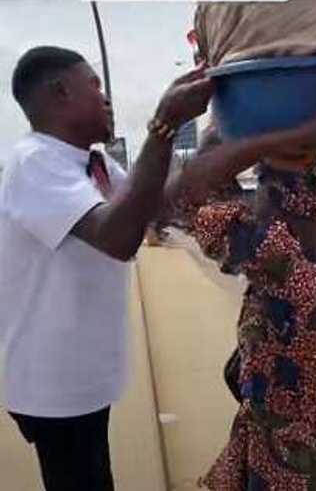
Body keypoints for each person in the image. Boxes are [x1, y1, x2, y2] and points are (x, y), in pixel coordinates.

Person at [0, 46, 213, 490]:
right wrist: (163, 125)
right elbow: (117, 238)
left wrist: (218, 143)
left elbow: (153, 205)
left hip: (80, 374)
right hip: (53, 381)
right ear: (60, 93)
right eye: (95, 86)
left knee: (92, 476)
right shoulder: (35, 162)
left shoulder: (90, 162)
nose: (107, 99)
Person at [164, 58, 316, 489]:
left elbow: (181, 196)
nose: (249, 196)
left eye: (258, 178)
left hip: (283, 474)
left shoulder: (284, 270)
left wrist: (284, 132)